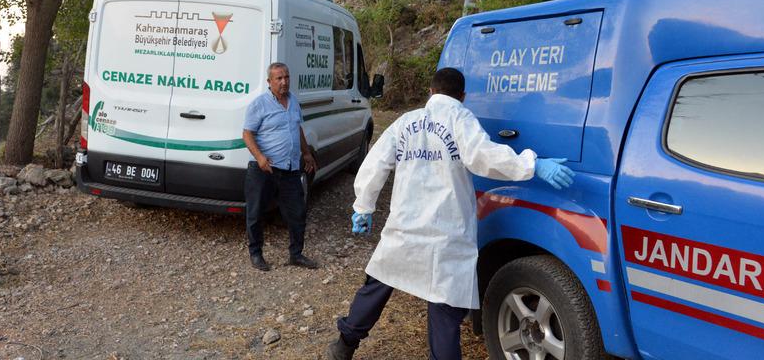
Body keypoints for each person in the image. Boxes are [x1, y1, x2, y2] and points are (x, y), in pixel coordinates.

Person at [326, 67, 575, 360]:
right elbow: (483, 157)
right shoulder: (460, 118)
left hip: (405, 226)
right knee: (444, 312)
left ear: (431, 92)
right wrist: (532, 164)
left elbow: (376, 162)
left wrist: (363, 206)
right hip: (446, 233)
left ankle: (343, 345)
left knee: (378, 284)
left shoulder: (407, 121)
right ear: (463, 96)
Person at [242, 62, 319, 271]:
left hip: (291, 170)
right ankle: (256, 254)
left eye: (286, 77)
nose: (284, 82)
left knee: (297, 213)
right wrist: (259, 157)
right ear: (269, 82)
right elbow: (247, 134)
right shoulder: (259, 104)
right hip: (264, 170)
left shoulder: (293, 101)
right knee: (256, 213)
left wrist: (306, 153)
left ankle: (296, 254)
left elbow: (297, 128)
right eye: (279, 78)